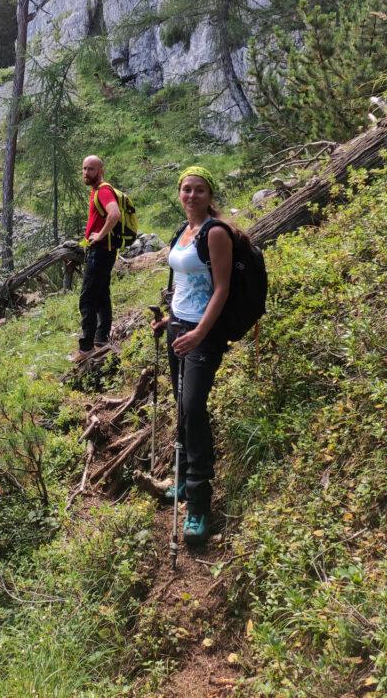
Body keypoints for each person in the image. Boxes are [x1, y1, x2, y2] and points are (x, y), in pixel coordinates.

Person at [151, 165, 234, 545]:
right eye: (186, 189)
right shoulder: (181, 233)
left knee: (195, 408)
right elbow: (185, 283)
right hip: (179, 327)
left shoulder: (215, 233)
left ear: (209, 194)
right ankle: (183, 480)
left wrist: (200, 331)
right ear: (179, 193)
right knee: (182, 407)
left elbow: (221, 289)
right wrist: (170, 320)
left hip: (203, 332)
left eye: (199, 189)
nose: (192, 195)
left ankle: (200, 504)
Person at [77, 155, 121, 358]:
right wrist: (86, 242)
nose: (86, 173)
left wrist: (100, 236)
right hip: (102, 250)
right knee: (102, 295)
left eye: (91, 169)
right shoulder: (96, 191)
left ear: (100, 170)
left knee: (87, 299)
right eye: (85, 169)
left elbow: (115, 214)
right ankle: (101, 338)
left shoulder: (103, 190)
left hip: (101, 252)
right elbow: (98, 221)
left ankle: (86, 349)